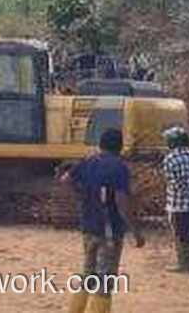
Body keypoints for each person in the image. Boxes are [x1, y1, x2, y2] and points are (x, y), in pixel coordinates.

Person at [60, 128, 145, 313]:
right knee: (105, 280)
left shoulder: (88, 161)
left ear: (101, 144)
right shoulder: (119, 167)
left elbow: (65, 179)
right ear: (120, 146)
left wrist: (82, 194)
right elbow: (121, 202)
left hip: (88, 227)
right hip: (110, 231)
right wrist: (136, 231)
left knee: (88, 273)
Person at [161, 125, 189, 273]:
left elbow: (173, 182)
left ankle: (182, 264)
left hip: (177, 203)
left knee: (179, 234)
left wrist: (185, 194)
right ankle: (188, 260)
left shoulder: (170, 158)